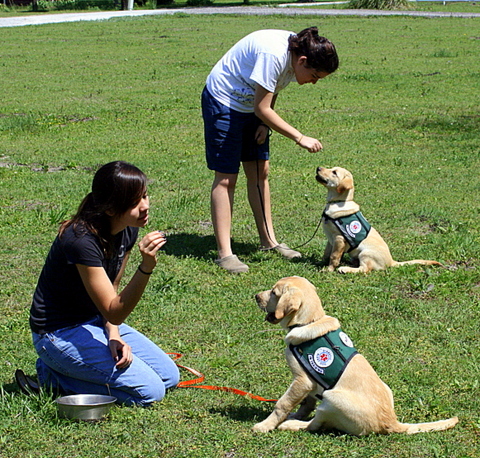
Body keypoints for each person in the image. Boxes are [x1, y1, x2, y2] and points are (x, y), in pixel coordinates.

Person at [19, 161, 180, 406]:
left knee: (169, 377)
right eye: (135, 202)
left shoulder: (127, 228)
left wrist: (113, 335)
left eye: (145, 195)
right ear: (111, 209)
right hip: (57, 333)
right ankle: (52, 376)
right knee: (150, 392)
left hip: (95, 321)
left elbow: (111, 290)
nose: (145, 206)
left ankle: (68, 370)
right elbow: (114, 309)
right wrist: (146, 266)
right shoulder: (81, 240)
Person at [202, 26, 339, 273]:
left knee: (260, 173)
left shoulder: (297, 53)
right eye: (315, 75)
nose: (314, 82)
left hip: (253, 106)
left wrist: (264, 124)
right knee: (226, 178)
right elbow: (262, 106)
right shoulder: (273, 54)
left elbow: (270, 93)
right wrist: (299, 137)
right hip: (224, 101)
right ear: (303, 61)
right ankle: (225, 254)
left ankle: (269, 242)